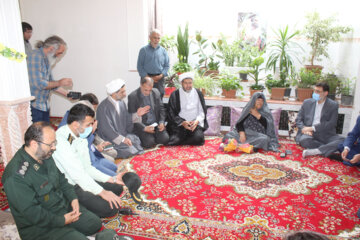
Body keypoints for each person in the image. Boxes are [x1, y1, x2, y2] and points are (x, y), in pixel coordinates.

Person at [2, 122, 102, 240]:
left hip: (61, 208)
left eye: (54, 143)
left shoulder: (45, 155)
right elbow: (33, 214)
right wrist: (62, 221)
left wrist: (73, 198)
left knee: (94, 224)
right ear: (34, 144)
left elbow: (61, 179)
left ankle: (71, 231)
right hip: (40, 227)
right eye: (51, 144)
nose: (54, 147)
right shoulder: (15, 176)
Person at [53, 104, 130, 218]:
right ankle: (77, 205)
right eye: (88, 124)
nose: (91, 127)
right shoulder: (61, 141)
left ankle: (91, 201)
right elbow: (77, 175)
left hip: (83, 177)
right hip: (71, 185)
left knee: (116, 187)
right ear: (75, 124)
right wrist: (102, 192)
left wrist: (112, 179)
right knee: (110, 208)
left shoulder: (80, 136)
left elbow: (87, 168)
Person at [58, 95, 118, 176]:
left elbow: (86, 142)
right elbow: (81, 150)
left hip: (92, 150)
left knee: (114, 162)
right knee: (112, 170)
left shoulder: (84, 123)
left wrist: (98, 145)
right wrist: (92, 134)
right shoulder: (67, 132)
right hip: (87, 160)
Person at [27, 35, 73, 123]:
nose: (59, 56)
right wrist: (59, 82)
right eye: (59, 53)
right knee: (38, 135)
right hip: (34, 105)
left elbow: (51, 84)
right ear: (51, 48)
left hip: (43, 105)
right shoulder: (35, 56)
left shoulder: (46, 59)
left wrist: (68, 94)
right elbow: (39, 84)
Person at [96, 79, 144, 158]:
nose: (125, 94)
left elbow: (126, 118)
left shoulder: (121, 103)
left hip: (122, 135)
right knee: (129, 150)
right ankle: (110, 150)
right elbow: (107, 131)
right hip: (110, 140)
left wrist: (137, 115)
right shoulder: (103, 108)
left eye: (125, 91)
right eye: (122, 92)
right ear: (114, 93)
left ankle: (128, 146)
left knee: (136, 140)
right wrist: (122, 139)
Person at [296, 82, 344, 158]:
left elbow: (332, 123)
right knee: (304, 140)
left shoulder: (333, 105)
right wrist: (304, 129)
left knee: (342, 140)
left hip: (326, 133)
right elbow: (298, 119)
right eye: (314, 91)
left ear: (325, 93)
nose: (315, 93)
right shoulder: (307, 102)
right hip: (309, 134)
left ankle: (316, 151)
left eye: (318, 91)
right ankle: (329, 149)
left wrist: (312, 128)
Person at [166, 72, 208, 146]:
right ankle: (181, 138)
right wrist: (182, 122)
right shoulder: (175, 94)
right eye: (186, 83)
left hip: (194, 124)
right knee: (173, 140)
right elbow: (171, 112)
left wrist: (196, 121)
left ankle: (183, 139)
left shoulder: (198, 93)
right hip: (180, 125)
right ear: (181, 83)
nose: (188, 85)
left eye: (190, 83)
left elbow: (202, 111)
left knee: (198, 139)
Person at [128, 77, 169, 148]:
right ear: (141, 85)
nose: (148, 92)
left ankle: (154, 136)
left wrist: (161, 122)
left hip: (156, 124)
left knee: (165, 139)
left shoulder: (156, 92)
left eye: (150, 90)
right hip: (143, 125)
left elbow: (162, 108)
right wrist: (144, 128)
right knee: (149, 143)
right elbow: (132, 117)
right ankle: (150, 137)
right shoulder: (133, 97)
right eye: (145, 90)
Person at [137, 29, 169, 99]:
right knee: (146, 99)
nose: (156, 40)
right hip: (146, 78)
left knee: (159, 99)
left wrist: (160, 76)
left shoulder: (163, 51)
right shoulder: (143, 50)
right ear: (150, 37)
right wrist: (149, 78)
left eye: (158, 38)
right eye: (155, 38)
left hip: (159, 79)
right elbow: (140, 66)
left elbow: (166, 66)